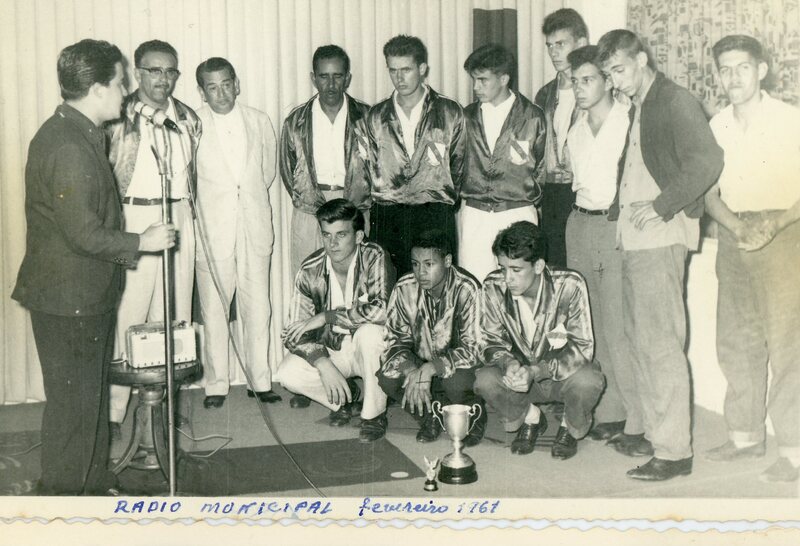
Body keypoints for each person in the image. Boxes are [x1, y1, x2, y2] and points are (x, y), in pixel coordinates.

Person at [11, 39, 175, 495]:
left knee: (88, 399)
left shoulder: (76, 131)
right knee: (74, 408)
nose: (125, 91)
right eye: (120, 82)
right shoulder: (68, 145)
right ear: (98, 88)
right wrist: (142, 242)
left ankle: (94, 482)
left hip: (79, 293)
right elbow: (82, 233)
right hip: (70, 298)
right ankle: (63, 501)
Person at [597, 30, 723, 481]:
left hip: (660, 237)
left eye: (619, 70)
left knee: (661, 346)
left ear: (642, 59)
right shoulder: (642, 104)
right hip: (634, 240)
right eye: (609, 74)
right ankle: (654, 433)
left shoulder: (674, 100)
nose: (615, 82)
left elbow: (708, 161)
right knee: (640, 343)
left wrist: (662, 205)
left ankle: (674, 453)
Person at [703, 35, 800, 483]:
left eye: (742, 67)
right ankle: (744, 437)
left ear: (761, 70)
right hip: (732, 234)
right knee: (736, 339)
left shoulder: (789, 120)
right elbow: (709, 194)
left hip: (782, 234)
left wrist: (773, 225)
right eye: (725, 69)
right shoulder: (717, 125)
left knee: (787, 345)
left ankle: (794, 451)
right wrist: (738, 228)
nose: (733, 77)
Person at [106, 40, 202, 438]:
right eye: (154, 70)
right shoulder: (118, 115)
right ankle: (114, 413)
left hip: (177, 215)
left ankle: (162, 407)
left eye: (170, 71)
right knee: (127, 314)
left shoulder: (188, 118)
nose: (163, 79)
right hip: (134, 218)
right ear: (138, 72)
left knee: (174, 314)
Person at [563, 46, 641, 446]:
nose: (579, 88)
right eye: (574, 81)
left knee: (618, 323)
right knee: (590, 323)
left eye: (588, 80)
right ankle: (610, 412)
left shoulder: (628, 121)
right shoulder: (575, 129)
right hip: (580, 223)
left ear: (608, 81)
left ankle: (636, 417)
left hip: (613, 226)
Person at [474, 221, 604, 460]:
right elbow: (489, 341)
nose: (507, 278)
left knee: (588, 380)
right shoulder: (492, 286)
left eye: (516, 270)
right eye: (502, 268)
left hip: (560, 375)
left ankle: (568, 426)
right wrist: (509, 364)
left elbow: (581, 347)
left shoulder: (569, 284)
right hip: (520, 378)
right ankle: (532, 418)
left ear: (538, 266)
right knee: (485, 380)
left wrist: (537, 370)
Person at [194, 57, 280, 409]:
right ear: (202, 92)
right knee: (214, 311)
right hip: (213, 232)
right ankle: (216, 384)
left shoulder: (259, 120)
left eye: (226, 84)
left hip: (253, 227)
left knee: (258, 307)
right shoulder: (191, 124)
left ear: (237, 84)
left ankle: (260, 381)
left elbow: (267, 173)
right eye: (212, 87)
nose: (221, 93)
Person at [275, 199, 395, 442]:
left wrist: (327, 316)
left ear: (359, 236)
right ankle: (345, 398)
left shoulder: (374, 256)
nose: (333, 243)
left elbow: (382, 311)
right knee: (287, 373)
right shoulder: (309, 269)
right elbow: (294, 333)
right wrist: (323, 363)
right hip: (333, 348)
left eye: (341, 234)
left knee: (370, 333)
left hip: (370, 351)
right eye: (326, 235)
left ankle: (373, 415)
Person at [367, 34, 465, 276]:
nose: (399, 78)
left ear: (422, 69)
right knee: (387, 283)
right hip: (388, 214)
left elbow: (460, 165)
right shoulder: (376, 115)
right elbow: (367, 166)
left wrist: (438, 192)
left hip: (434, 212)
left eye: (406, 70)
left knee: (437, 284)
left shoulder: (449, 111)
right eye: (393, 70)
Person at [378, 229, 486, 446]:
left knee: (455, 384)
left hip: (458, 367)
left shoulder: (467, 288)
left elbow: (475, 348)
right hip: (419, 362)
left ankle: (474, 414)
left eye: (429, 264)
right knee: (388, 378)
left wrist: (432, 368)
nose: (421, 272)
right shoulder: (404, 287)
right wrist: (411, 370)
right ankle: (431, 415)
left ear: (447, 261)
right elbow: (393, 340)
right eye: (415, 264)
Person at [279, 45, 372, 275]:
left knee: (356, 278)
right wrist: (308, 196)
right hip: (310, 209)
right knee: (309, 277)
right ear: (313, 78)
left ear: (347, 78)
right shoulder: (296, 121)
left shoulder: (367, 117)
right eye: (324, 76)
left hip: (354, 206)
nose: (331, 85)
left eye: (337, 76)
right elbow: (287, 168)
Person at [460, 44, 546, 282]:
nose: (476, 87)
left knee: (519, 286)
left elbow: (542, 170)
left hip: (517, 212)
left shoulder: (532, 117)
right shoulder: (466, 117)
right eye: (474, 80)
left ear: (504, 79)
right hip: (476, 214)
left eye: (483, 80)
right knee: (475, 284)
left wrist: (524, 199)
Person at [534, 8, 589, 267]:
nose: (553, 52)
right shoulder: (544, 94)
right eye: (549, 46)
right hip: (552, 194)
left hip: (585, 192)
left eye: (561, 44)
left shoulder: (599, 89)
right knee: (555, 266)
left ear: (581, 43)